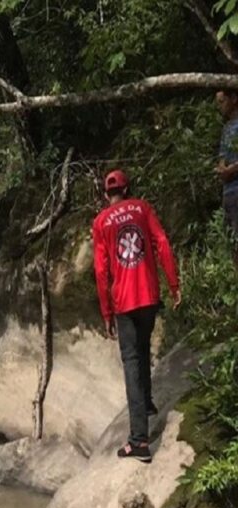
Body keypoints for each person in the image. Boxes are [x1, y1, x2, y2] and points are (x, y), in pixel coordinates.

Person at [92, 169, 181, 462]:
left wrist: (106, 311)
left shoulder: (102, 221)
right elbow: (162, 243)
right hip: (149, 295)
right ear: (128, 190)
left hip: (125, 301)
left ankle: (139, 441)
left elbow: (101, 270)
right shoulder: (142, 208)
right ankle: (148, 403)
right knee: (142, 348)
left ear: (107, 195)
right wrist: (173, 284)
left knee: (131, 360)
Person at [215, 89, 238, 262]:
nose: (220, 106)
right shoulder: (226, 129)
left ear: (234, 99)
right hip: (229, 191)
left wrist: (232, 169)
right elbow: (222, 157)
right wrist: (223, 169)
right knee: (233, 241)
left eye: (222, 101)